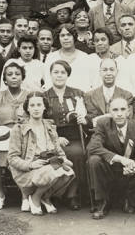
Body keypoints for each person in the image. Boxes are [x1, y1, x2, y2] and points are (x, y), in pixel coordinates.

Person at [8, 91, 75, 215]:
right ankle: (35, 198)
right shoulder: (18, 128)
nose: (36, 109)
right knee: (51, 171)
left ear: (44, 106)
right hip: (28, 169)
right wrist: (30, 165)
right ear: (27, 108)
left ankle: (45, 197)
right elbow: (12, 158)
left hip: (48, 163)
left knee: (68, 172)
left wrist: (63, 159)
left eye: (39, 105)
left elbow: (58, 150)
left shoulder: (49, 126)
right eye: (32, 106)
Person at [87, 98, 135, 219]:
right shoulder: (102, 123)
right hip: (108, 170)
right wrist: (121, 159)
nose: (119, 113)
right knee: (94, 160)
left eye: (123, 109)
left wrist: (133, 167)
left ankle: (129, 201)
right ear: (109, 111)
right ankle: (102, 203)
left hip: (128, 174)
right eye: (115, 110)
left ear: (129, 111)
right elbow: (93, 147)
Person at [0, 62, 29, 210]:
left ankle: (25, 195)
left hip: (25, 134)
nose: (14, 77)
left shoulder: (30, 95)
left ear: (22, 77)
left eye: (17, 74)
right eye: (10, 74)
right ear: (5, 79)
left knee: (24, 152)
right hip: (2, 134)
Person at [43, 60, 87, 210]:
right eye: (56, 72)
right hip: (51, 137)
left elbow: (89, 114)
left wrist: (84, 119)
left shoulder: (78, 94)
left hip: (74, 137)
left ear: (67, 75)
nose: (59, 76)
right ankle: (53, 194)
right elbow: (41, 121)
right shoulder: (44, 96)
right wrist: (56, 137)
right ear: (50, 75)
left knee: (77, 153)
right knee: (51, 156)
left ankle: (72, 195)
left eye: (63, 72)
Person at [43, 25, 92, 92]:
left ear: (74, 37)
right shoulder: (51, 58)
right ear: (59, 38)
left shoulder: (85, 57)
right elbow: (48, 83)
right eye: (62, 35)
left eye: (69, 35)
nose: (66, 38)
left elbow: (88, 83)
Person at [84, 58, 133, 124]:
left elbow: (127, 118)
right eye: (105, 70)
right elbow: (91, 120)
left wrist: (100, 118)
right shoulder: (90, 95)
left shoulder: (127, 95)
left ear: (117, 72)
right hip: (97, 133)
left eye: (112, 70)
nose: (108, 73)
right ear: (100, 72)